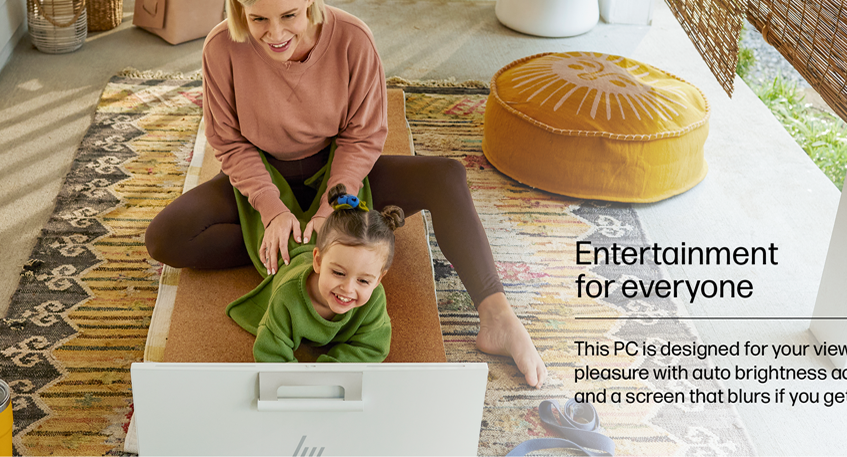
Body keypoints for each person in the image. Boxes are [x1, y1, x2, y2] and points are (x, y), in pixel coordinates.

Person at [144, 0, 548, 387]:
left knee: (447, 176)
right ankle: (286, 250)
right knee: (164, 237)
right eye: (258, 19)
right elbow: (229, 142)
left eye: (289, 15)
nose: (276, 33)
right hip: (263, 170)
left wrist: (332, 205)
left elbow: (365, 135)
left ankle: (498, 317)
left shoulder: (353, 38)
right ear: (238, 9)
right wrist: (271, 210)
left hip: (339, 168)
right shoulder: (221, 46)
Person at [227, 185, 403, 362]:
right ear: (317, 261)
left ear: (378, 279)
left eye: (363, 281)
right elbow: (271, 352)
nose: (348, 289)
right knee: (254, 223)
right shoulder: (287, 296)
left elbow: (373, 347)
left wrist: (328, 371)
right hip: (291, 249)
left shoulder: (375, 297)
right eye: (338, 273)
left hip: (325, 244)